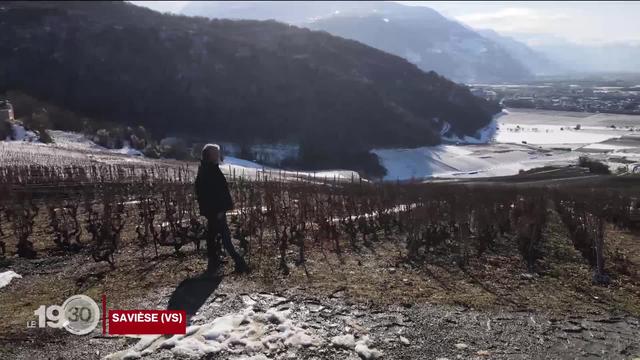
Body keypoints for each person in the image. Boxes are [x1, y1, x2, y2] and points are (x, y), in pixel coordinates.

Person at [195, 144, 248, 274]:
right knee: (225, 236)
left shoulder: (209, 169)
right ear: (210, 155)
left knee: (212, 235)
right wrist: (218, 210)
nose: (218, 155)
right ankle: (239, 262)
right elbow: (209, 194)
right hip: (216, 211)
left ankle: (213, 261)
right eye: (216, 153)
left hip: (216, 210)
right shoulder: (208, 171)